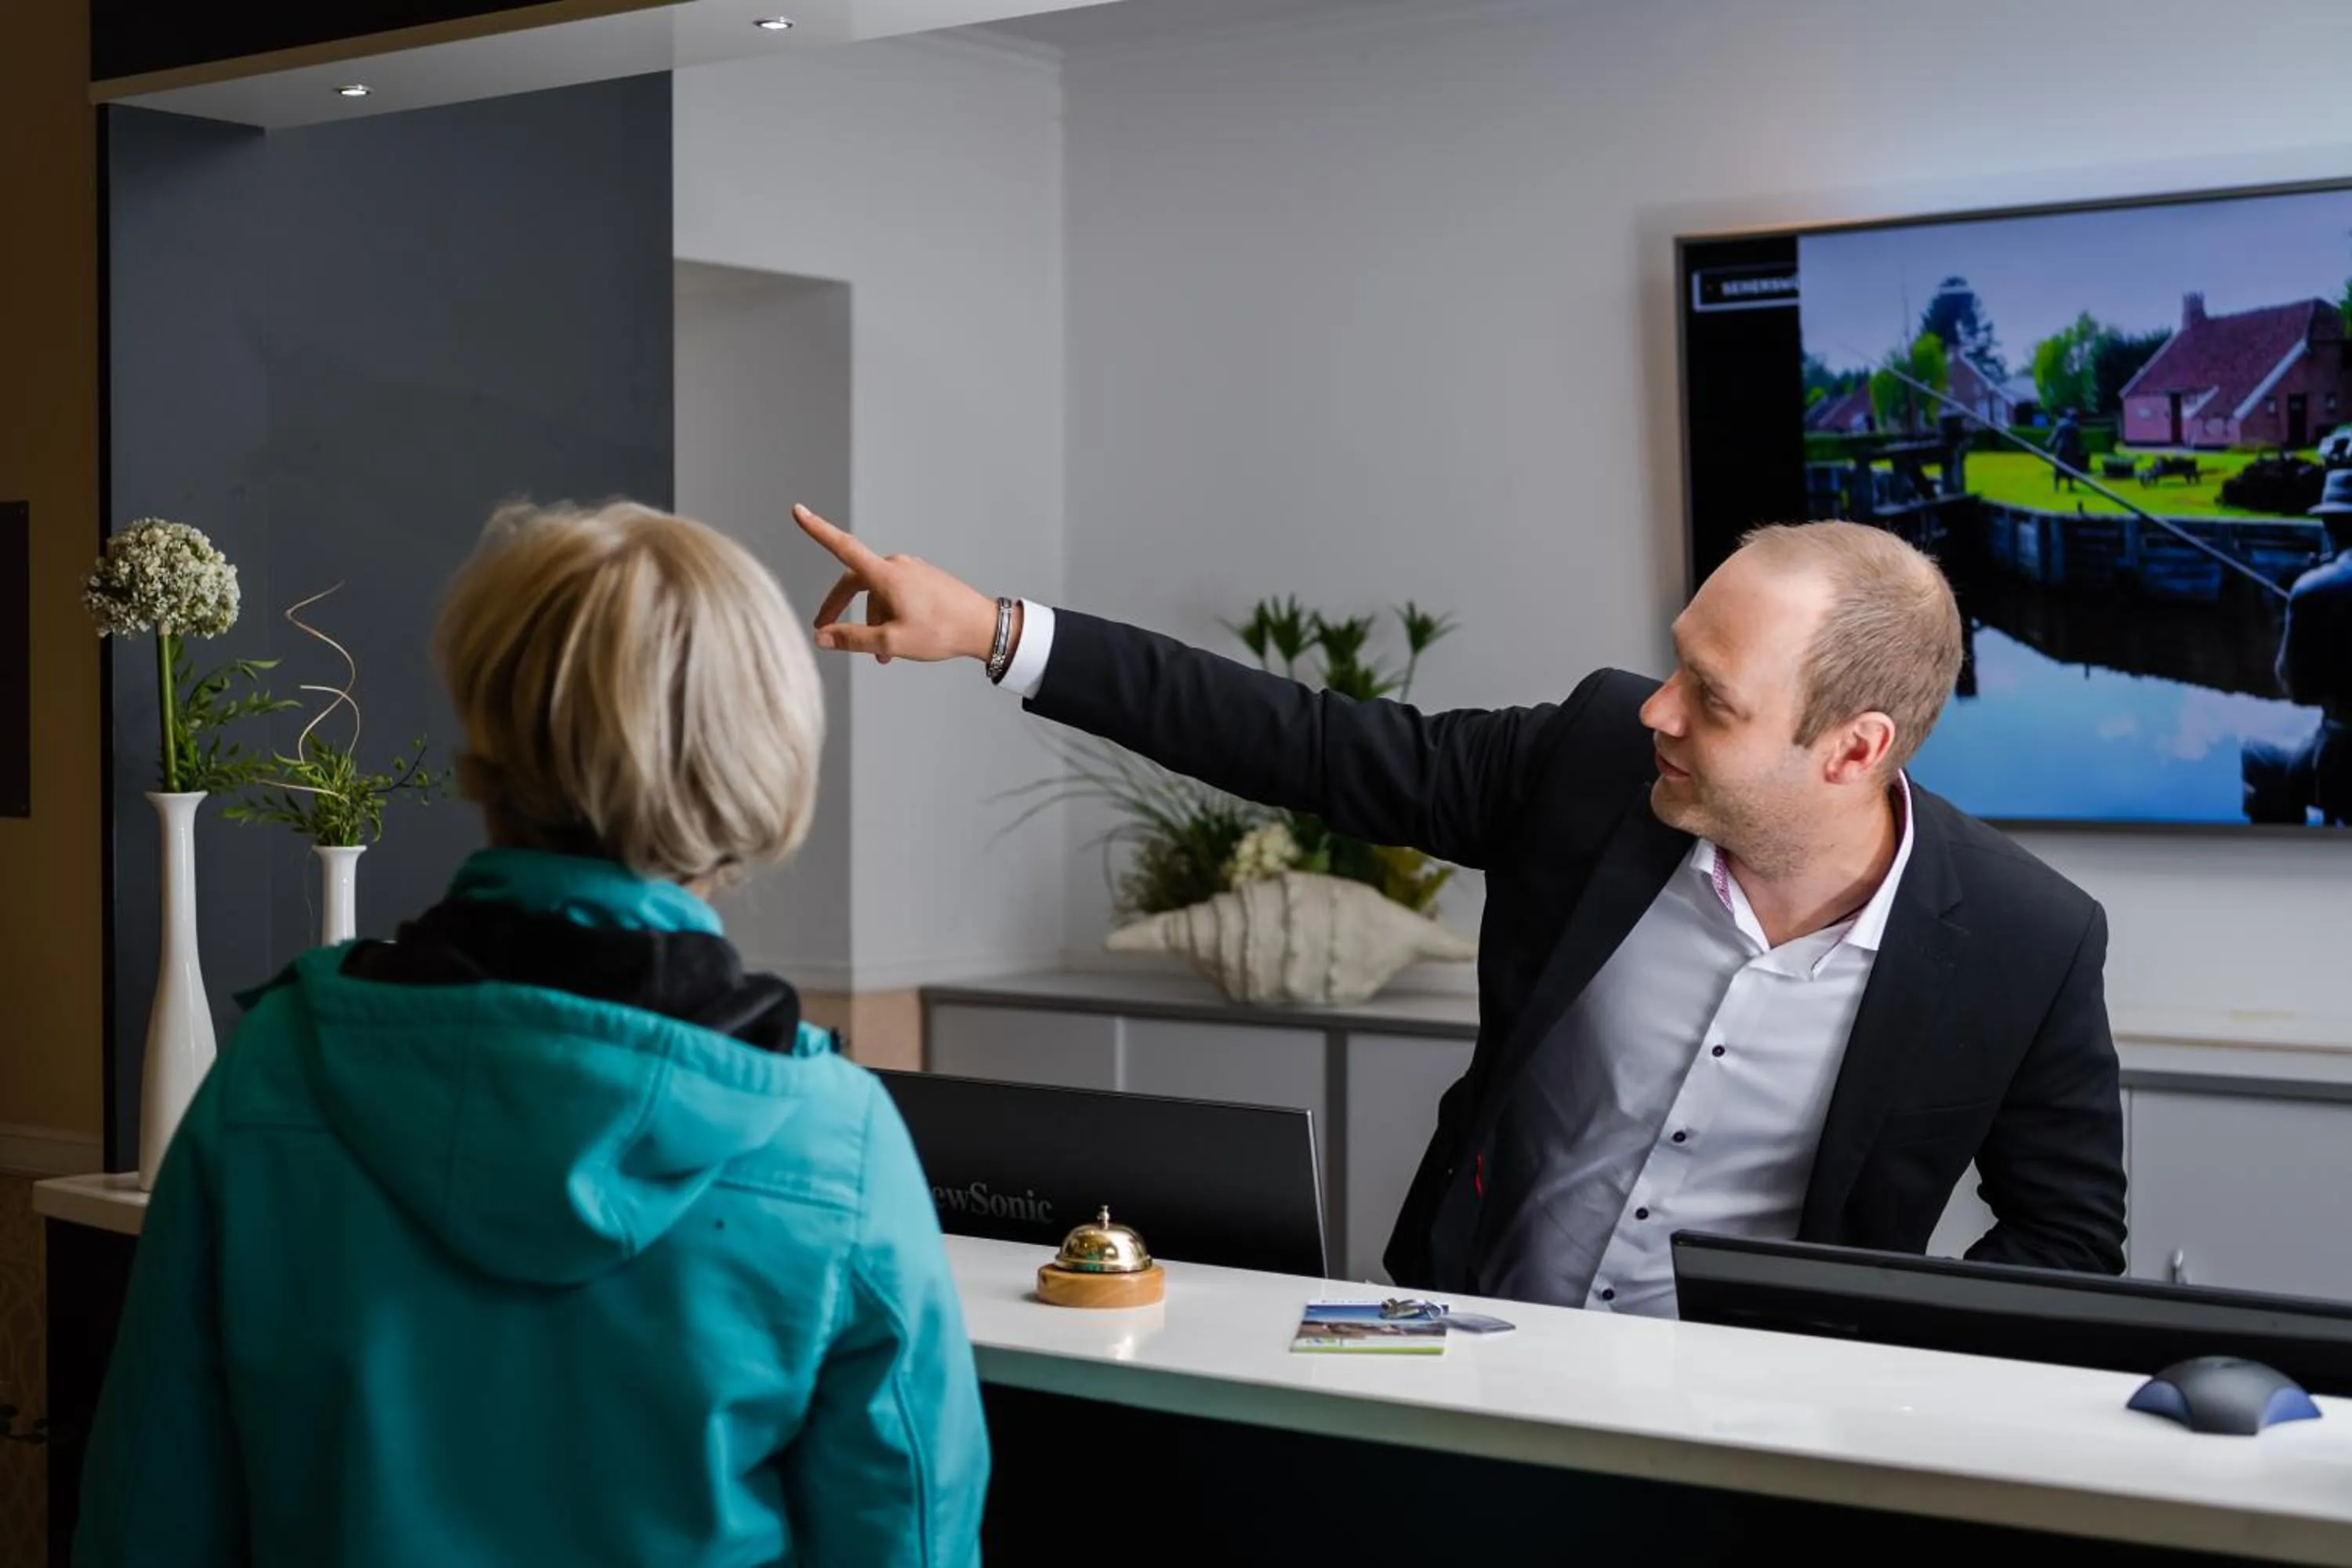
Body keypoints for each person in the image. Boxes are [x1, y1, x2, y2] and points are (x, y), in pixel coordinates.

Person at [793, 504, 2125, 1317]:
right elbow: (1304, 744)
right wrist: (994, 629)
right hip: (1471, 1355)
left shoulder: (2027, 939)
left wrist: (1885, 1370)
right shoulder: (1592, 762)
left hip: (1761, 1442)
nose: (1658, 707)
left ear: (1854, 749)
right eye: (1679, 663)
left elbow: (2069, 1241)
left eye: (1714, 701)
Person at [74, 500, 989, 1566]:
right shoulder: (837, 1148)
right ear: (763, 759)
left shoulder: (271, 1079)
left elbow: (149, 1527)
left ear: (492, 723)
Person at [2245, 468, 2352, 824]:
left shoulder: (2314, 591)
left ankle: (2288, 867)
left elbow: (2298, 690)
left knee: (2256, 755)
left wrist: (2292, 614)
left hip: (2344, 753)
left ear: (2331, 524)